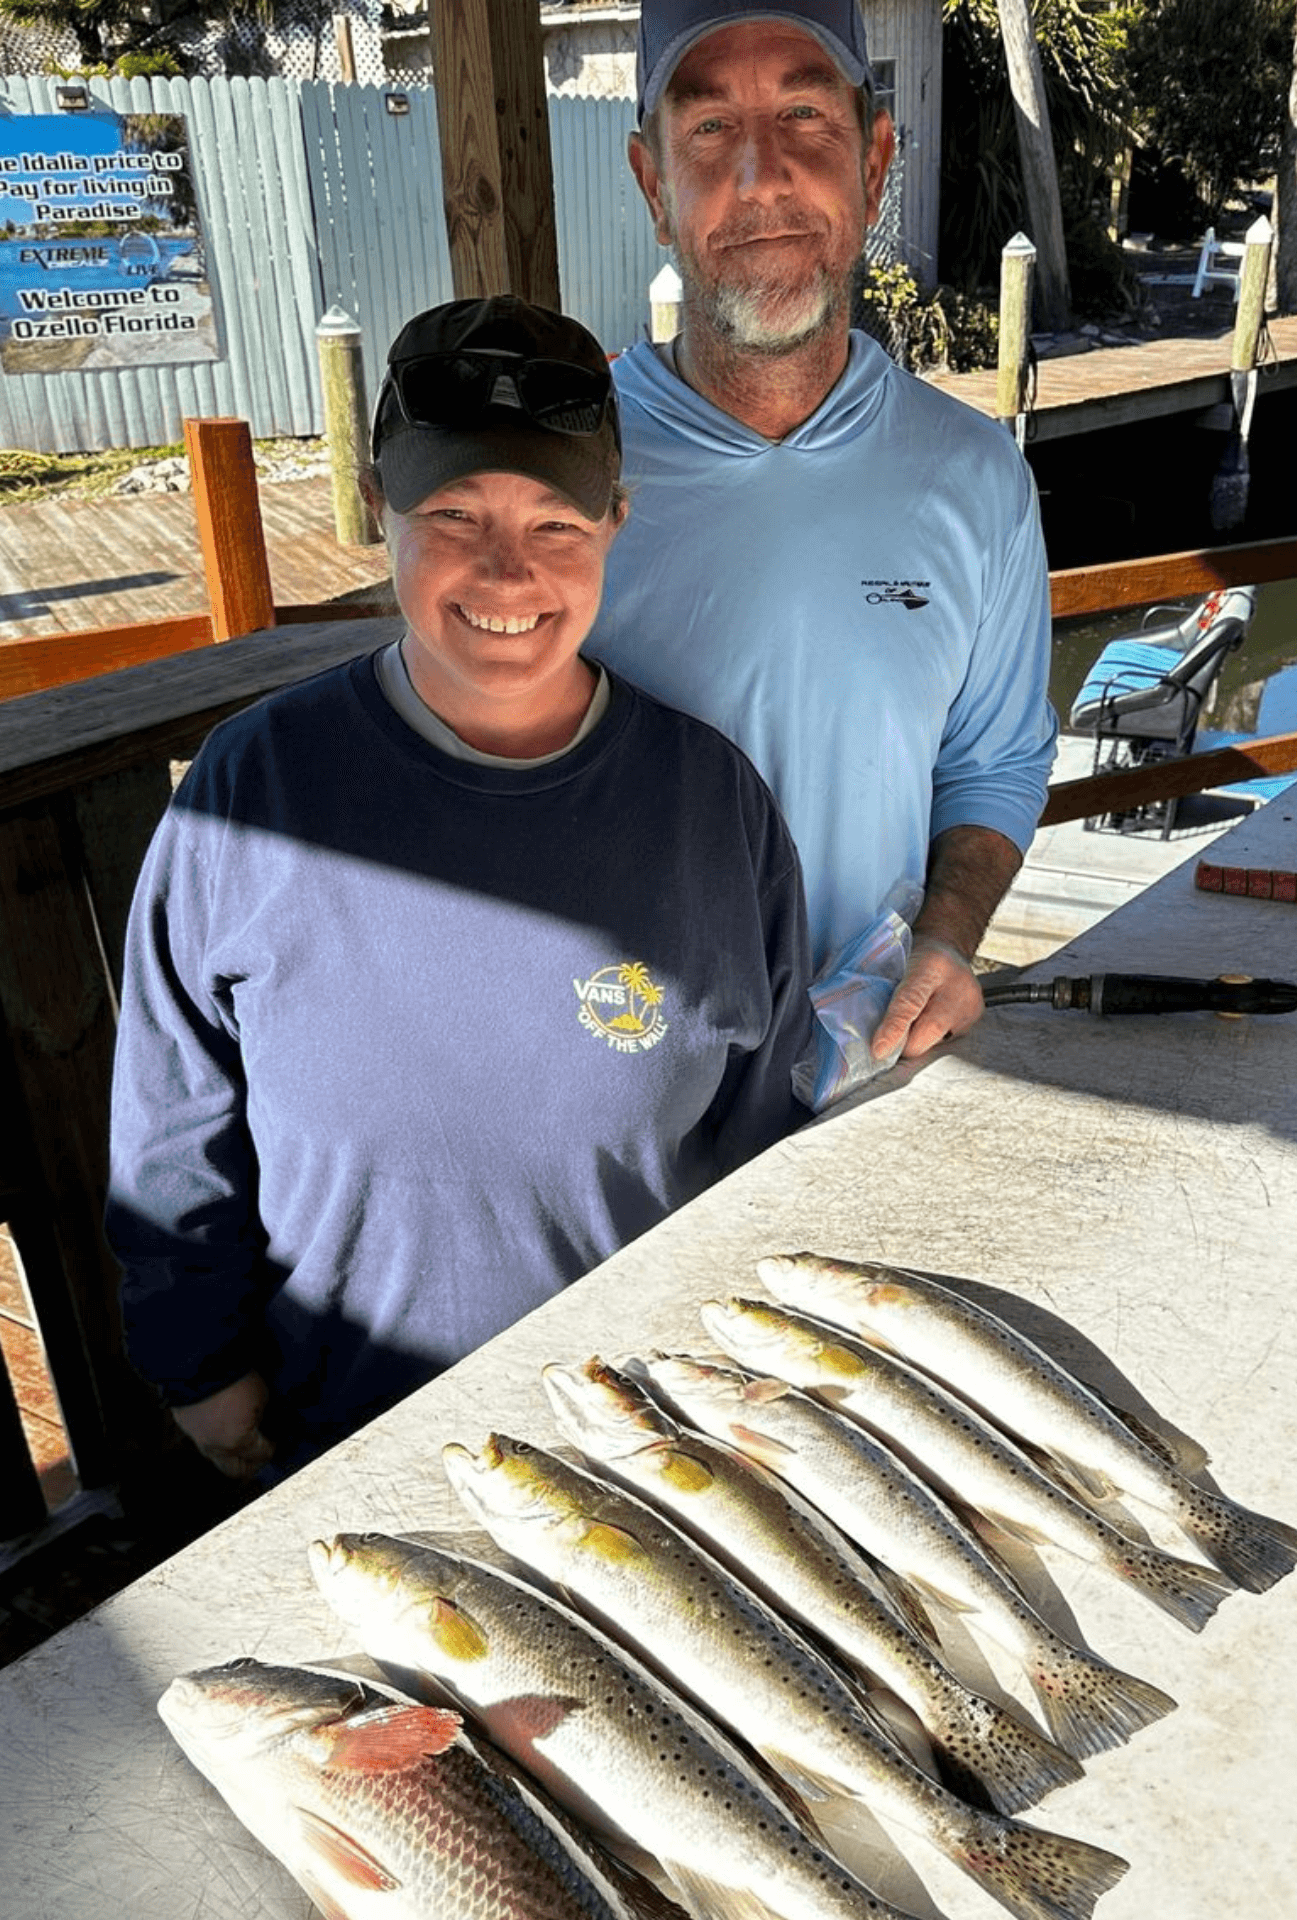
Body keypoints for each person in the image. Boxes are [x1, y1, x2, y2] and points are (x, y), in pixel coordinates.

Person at [106, 295, 814, 1480]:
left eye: (556, 523)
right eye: (454, 514)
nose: (508, 570)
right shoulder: (252, 783)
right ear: (380, 512)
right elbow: (172, 1109)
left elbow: (766, 1126)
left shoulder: (715, 798)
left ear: (616, 524)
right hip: (339, 1436)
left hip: (648, 1445)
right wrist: (198, 1367)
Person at [584, 0, 1058, 1069]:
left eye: (805, 115)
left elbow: (996, 761)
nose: (761, 177)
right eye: (708, 130)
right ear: (653, 186)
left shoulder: (978, 478)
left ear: (877, 160)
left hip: (868, 1063)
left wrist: (946, 937)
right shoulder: (560, 485)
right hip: (617, 1077)